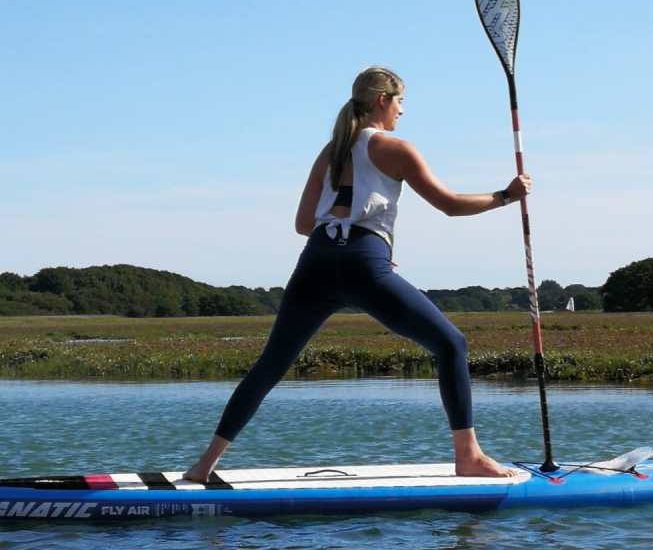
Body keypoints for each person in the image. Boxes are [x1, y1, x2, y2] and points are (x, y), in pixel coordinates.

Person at [184, 66, 531, 482]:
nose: (402, 111)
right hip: (363, 263)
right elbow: (449, 205)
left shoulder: (332, 149)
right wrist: (507, 195)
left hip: (316, 261)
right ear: (383, 100)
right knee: (451, 345)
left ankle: (204, 465)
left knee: (271, 365)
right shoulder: (395, 148)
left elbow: (303, 223)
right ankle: (468, 456)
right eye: (401, 101)